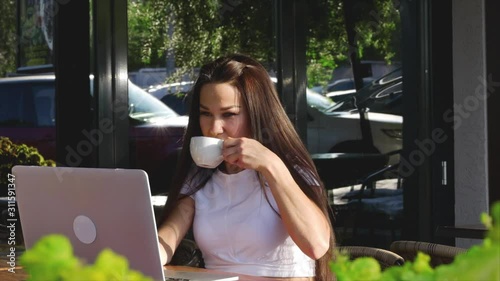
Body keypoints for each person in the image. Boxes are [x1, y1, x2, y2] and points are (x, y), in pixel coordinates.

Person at [157, 54, 335, 281]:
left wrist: (271, 165)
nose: (214, 128)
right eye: (205, 114)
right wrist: (146, 255)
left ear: (256, 114)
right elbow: (170, 236)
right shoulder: (201, 176)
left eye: (229, 114)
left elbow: (317, 246)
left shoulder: (289, 169)